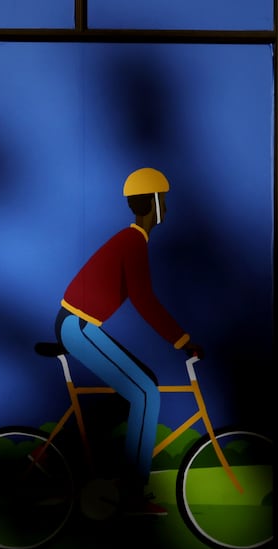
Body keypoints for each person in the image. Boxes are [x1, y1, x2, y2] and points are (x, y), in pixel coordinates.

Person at [55, 167, 204, 516]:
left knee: (145, 387)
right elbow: (144, 300)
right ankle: (133, 493)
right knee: (145, 393)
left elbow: (141, 299)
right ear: (153, 202)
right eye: (163, 199)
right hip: (77, 326)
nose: (166, 207)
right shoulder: (132, 241)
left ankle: (123, 485)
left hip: (81, 325)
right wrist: (182, 340)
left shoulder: (133, 240)